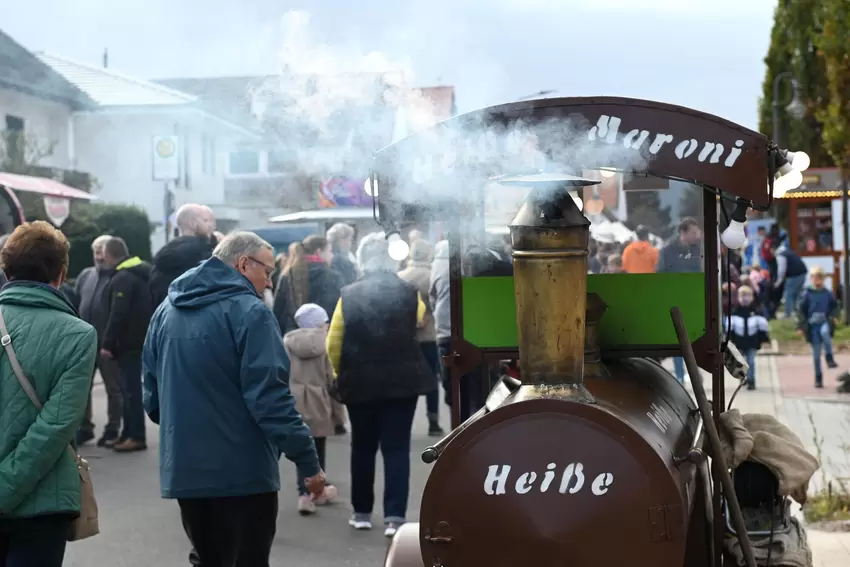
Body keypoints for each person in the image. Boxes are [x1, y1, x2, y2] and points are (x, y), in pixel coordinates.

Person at [143, 231, 324, 566]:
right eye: (267, 272)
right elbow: (271, 400)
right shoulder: (251, 313)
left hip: (186, 470)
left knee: (208, 558)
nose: (269, 283)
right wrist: (308, 461)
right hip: (243, 474)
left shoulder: (166, 311)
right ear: (243, 264)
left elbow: (152, 398)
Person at [0, 221, 97, 566]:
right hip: (43, 499)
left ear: (6, 268)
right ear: (60, 274)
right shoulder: (79, 334)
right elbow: (56, 425)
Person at [326, 232, 435, 538]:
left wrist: (340, 372)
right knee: (397, 448)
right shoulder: (408, 291)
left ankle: (361, 513)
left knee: (362, 447)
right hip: (402, 381)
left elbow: (334, 340)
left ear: (362, 260)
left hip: (360, 382)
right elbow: (420, 317)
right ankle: (394, 517)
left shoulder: (348, 293)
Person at [283, 303, 340, 516]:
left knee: (300, 446)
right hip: (318, 399)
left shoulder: (287, 342)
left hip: (293, 396)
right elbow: (330, 375)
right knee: (317, 447)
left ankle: (304, 495)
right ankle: (317, 491)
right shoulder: (324, 343)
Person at [100, 237, 154, 453]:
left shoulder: (123, 277)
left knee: (130, 391)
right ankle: (127, 433)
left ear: (110, 254)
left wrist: (107, 343)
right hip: (136, 341)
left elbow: (118, 313)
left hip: (127, 344)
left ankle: (136, 436)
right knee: (128, 389)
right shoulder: (137, 273)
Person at [75, 234, 124, 447]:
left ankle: (113, 427)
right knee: (82, 387)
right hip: (86, 341)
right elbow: (76, 301)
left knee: (113, 388)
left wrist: (111, 341)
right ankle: (84, 428)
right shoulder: (86, 275)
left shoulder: (118, 276)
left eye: (102, 248)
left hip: (107, 343)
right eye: (95, 248)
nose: (97, 253)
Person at [398, 239, 445, 437]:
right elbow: (437, 301)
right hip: (429, 336)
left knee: (407, 380)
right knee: (431, 379)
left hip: (407, 336)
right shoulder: (431, 275)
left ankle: (404, 421)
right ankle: (433, 421)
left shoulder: (400, 277)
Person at [657, 217, 703, 383]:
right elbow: (660, 274)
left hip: (694, 300)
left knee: (694, 337)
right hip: (674, 300)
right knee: (678, 339)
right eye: (693, 232)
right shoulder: (667, 251)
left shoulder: (699, 250)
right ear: (683, 233)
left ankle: (694, 372)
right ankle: (680, 376)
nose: (697, 236)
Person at [149, 203, 218, 306]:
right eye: (205, 220)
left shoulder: (162, 256)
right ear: (193, 223)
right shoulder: (203, 254)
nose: (210, 226)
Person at [273, 235, 342, 333]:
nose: (332, 256)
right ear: (318, 252)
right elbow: (337, 311)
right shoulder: (332, 276)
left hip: (291, 338)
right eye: (329, 251)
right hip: (322, 337)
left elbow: (278, 311)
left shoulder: (288, 274)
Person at [796, 266, 840, 388]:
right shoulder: (807, 294)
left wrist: (835, 316)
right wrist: (800, 326)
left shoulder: (828, 293)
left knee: (825, 333)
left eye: (820, 278)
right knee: (815, 356)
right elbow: (801, 311)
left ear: (824, 279)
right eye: (815, 278)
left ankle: (829, 357)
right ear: (811, 279)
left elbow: (835, 306)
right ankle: (818, 377)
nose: (818, 281)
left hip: (824, 321)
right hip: (812, 325)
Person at [724, 285, 770, 390]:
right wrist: (729, 341)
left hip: (752, 342)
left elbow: (762, 327)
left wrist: (765, 340)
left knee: (751, 361)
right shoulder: (735, 312)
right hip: (739, 342)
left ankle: (751, 380)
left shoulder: (756, 311)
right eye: (742, 296)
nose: (745, 298)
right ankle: (743, 378)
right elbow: (730, 328)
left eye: (747, 296)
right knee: (741, 362)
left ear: (752, 297)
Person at [773, 236, 808, 318]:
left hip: (795, 275)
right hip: (802, 273)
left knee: (788, 293)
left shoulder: (780, 254)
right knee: (797, 294)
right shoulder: (787, 251)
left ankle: (787, 314)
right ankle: (798, 312)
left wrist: (778, 282)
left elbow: (782, 269)